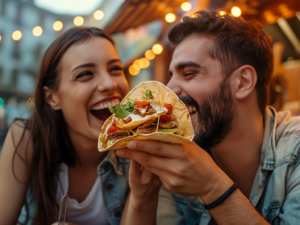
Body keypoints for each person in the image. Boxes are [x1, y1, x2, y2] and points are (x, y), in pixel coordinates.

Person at [116, 11, 300, 224]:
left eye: (189, 73)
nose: (169, 90)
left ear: (242, 82)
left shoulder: (295, 150)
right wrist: (143, 196)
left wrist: (213, 188)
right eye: (171, 76)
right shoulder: (176, 160)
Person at [0, 27, 161, 225]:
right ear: (52, 98)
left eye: (115, 69)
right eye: (85, 74)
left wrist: (144, 194)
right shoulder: (26, 139)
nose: (109, 84)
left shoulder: (140, 149)